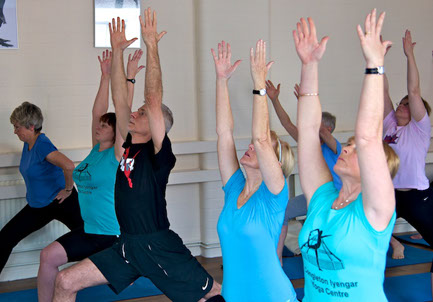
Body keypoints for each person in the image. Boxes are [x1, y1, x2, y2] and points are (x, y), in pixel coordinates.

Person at [53, 9, 223, 302]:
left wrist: (152, 46)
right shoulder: (126, 146)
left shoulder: (159, 153)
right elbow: (120, 98)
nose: (134, 113)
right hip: (127, 245)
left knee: (212, 296)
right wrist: (117, 53)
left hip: (158, 244)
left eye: (142, 114)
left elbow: (154, 100)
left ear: (158, 126)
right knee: (66, 281)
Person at [294, 10, 399, 301]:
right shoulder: (322, 197)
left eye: (354, 150)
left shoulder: (376, 211)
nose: (348, 148)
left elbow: (367, 139)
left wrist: (374, 65)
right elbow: (307, 131)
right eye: (348, 146)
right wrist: (309, 66)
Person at [37, 49, 144, 302]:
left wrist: (129, 79)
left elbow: (122, 110)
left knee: (70, 279)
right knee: (48, 256)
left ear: (115, 130)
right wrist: (104, 76)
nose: (99, 126)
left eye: (106, 125)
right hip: (89, 230)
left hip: (112, 236)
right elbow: (97, 112)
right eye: (100, 124)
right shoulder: (95, 151)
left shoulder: (117, 154)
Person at [213, 39, 297, 301]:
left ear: (275, 161)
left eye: (262, 149)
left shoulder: (274, 193)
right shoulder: (235, 186)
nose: (253, 145)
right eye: (254, 145)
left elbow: (260, 139)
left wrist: (259, 84)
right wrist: (221, 81)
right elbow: (224, 133)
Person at [0, 102, 84, 276]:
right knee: (5, 238)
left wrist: (68, 190)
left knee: (93, 237)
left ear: (31, 127)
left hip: (63, 202)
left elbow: (68, 166)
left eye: (17, 127)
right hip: (39, 206)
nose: (15, 131)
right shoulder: (28, 143)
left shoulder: (42, 145)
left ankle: (118, 273)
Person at [267, 80, 342, 263]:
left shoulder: (335, 147)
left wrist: (305, 101)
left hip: (334, 199)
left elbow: (320, 130)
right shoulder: (309, 142)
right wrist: (275, 100)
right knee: (284, 210)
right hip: (313, 197)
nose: (309, 128)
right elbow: (287, 123)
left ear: (328, 129)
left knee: (320, 230)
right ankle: (277, 254)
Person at [382, 29, 433, 294]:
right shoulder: (389, 123)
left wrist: (409, 55)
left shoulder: (419, 128)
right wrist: (377, 61)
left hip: (417, 197)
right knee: (372, 239)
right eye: (400, 103)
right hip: (389, 195)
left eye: (406, 104)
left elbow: (414, 91)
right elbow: (382, 87)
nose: (402, 105)